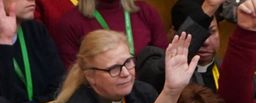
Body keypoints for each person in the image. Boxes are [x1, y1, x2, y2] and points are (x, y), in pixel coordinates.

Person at [32, 0, 170, 68]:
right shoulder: (70, 23)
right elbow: (73, 78)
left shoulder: (145, 11)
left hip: (146, 100)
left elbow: (163, 62)